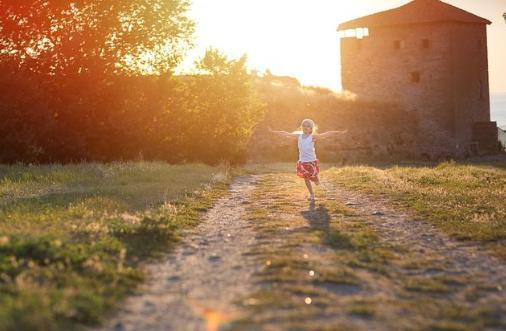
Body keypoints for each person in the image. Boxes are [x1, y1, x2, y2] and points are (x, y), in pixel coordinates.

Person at [269, 119, 347, 201]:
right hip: (302, 161)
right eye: (304, 125)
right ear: (301, 127)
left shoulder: (313, 137)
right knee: (306, 178)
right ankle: (312, 194)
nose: (306, 127)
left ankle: (315, 177)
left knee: (314, 178)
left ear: (311, 128)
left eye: (308, 126)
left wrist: (339, 132)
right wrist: (273, 131)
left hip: (311, 160)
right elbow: (285, 134)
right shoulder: (298, 136)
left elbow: (327, 134)